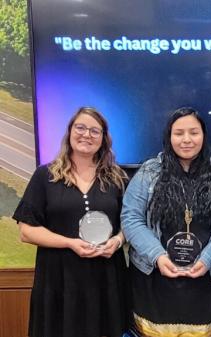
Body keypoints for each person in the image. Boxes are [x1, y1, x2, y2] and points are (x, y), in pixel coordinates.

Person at [13, 107, 130, 337]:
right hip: (59, 279)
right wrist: (70, 243)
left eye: (95, 131)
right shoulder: (45, 176)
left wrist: (117, 240)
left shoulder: (117, 178)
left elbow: (130, 223)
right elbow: (26, 231)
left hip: (106, 277)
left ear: (103, 139)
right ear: (69, 133)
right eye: (81, 127)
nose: (87, 135)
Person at [121, 107, 211, 337]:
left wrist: (208, 259)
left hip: (206, 281)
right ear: (168, 136)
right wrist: (158, 256)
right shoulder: (148, 173)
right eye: (179, 133)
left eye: (193, 132)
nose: (186, 140)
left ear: (203, 136)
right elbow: (130, 218)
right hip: (156, 279)